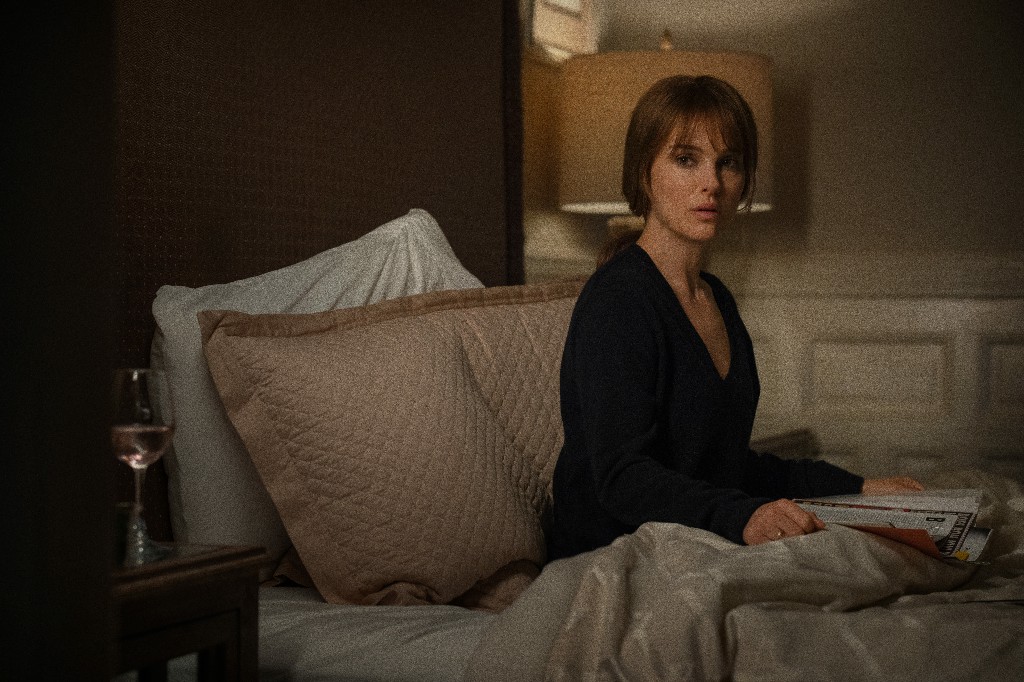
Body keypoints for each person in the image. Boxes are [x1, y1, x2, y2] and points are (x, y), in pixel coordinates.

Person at [547, 75, 922, 561]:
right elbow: (623, 479)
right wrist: (742, 517)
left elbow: (728, 468)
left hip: (697, 543)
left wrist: (859, 488)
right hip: (614, 558)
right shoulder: (617, 301)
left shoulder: (717, 299)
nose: (713, 183)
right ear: (643, 172)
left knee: (910, 559)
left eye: (728, 162)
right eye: (687, 159)